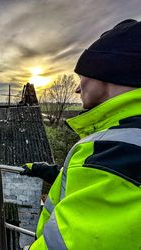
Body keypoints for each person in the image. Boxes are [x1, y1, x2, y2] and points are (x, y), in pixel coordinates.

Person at [21, 19, 141, 249]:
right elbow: (91, 185)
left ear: (107, 72)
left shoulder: (120, 150)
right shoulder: (124, 139)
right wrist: (46, 170)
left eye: (82, 77)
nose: (77, 88)